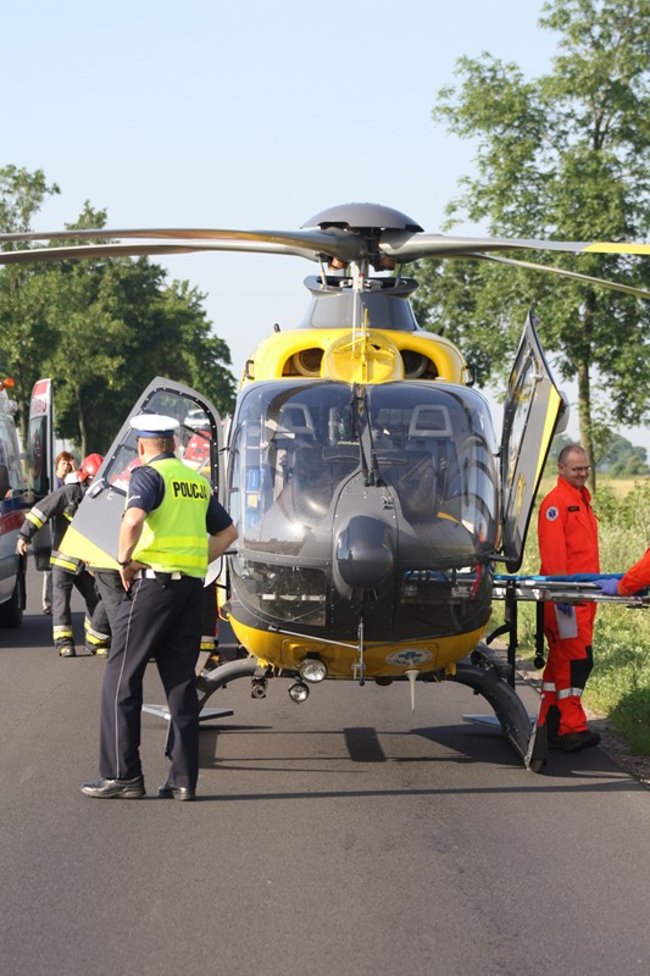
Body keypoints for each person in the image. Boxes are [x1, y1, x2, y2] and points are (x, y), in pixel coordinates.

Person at [81, 414, 238, 802]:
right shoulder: (195, 481)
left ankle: (123, 775)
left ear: (141, 446)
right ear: (174, 444)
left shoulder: (147, 475)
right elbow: (228, 532)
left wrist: (123, 560)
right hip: (191, 590)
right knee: (181, 682)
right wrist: (196, 560)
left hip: (153, 586)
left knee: (120, 676)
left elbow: (133, 519)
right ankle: (183, 780)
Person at [536, 443, 601, 753]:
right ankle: (572, 729)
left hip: (583, 599)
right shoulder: (556, 503)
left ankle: (548, 723)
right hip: (566, 600)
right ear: (561, 469)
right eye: (577, 469)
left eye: (586, 468)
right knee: (576, 662)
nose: (583, 473)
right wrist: (562, 595)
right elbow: (554, 558)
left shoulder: (581, 501)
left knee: (560, 664)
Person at [17, 453, 109, 657]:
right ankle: (64, 643)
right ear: (84, 477)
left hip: (87, 562)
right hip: (64, 560)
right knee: (61, 603)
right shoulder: (68, 493)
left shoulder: (102, 498)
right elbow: (40, 511)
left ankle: (94, 640)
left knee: (95, 600)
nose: (94, 484)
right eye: (92, 479)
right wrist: (24, 536)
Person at [41, 451, 77, 614]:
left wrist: (75, 470)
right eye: (64, 463)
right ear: (57, 465)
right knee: (49, 571)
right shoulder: (53, 484)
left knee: (60, 571)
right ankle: (47, 603)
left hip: (64, 533)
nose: (66, 466)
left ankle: (55, 603)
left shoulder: (71, 482)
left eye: (69, 463)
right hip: (51, 529)